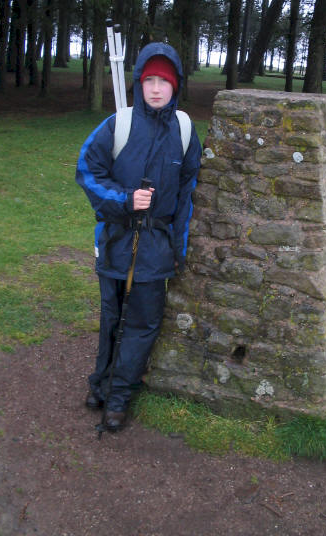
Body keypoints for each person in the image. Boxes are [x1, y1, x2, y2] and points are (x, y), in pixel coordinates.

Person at [76, 42, 202, 431]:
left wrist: (177, 250)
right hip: (116, 239)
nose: (156, 88)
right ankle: (100, 384)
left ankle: (118, 398)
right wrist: (125, 199)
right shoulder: (119, 124)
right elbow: (88, 171)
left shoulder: (184, 131)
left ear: (175, 85)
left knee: (142, 321)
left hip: (154, 247)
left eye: (164, 81)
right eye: (150, 79)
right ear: (138, 82)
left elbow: (187, 194)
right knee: (112, 316)